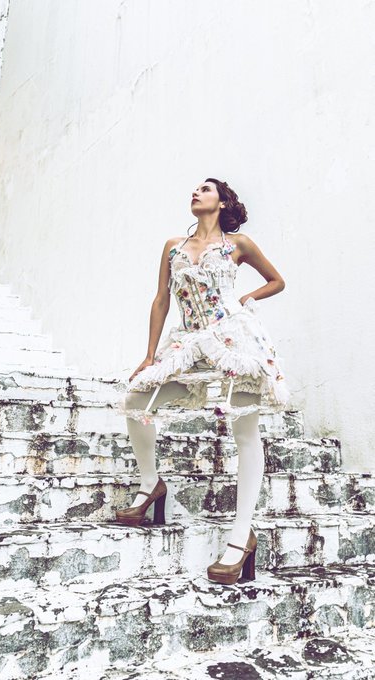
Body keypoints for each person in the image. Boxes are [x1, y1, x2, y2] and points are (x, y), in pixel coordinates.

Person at [114, 177, 291, 585]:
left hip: (234, 340)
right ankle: (150, 484)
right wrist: (149, 355)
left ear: (222, 202)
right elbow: (161, 299)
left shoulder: (238, 244)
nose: (196, 192)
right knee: (137, 400)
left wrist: (247, 299)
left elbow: (277, 281)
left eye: (206, 189)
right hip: (188, 341)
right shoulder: (173, 247)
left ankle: (241, 535)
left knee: (244, 430)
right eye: (194, 189)